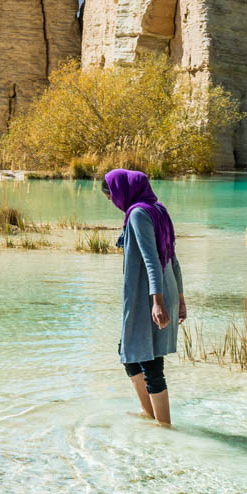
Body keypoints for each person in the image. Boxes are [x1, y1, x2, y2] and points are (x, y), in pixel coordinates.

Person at [103, 168, 185, 427]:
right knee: (128, 352)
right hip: (165, 289)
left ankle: (164, 425)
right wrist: (180, 298)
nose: (114, 203)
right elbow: (172, 258)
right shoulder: (157, 210)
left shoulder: (138, 214)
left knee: (149, 360)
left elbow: (152, 259)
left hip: (149, 296)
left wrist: (157, 302)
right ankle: (150, 414)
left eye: (112, 197)